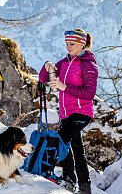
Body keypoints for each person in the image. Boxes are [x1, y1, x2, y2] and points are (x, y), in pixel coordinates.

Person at [39, 28, 98, 194]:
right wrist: (47, 66)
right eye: (66, 44)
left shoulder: (89, 65)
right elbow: (43, 78)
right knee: (76, 149)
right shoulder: (64, 62)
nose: (68, 47)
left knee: (62, 140)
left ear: (82, 44)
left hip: (81, 113)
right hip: (66, 113)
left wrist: (64, 87)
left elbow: (89, 93)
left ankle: (66, 179)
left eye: (72, 44)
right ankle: (83, 188)